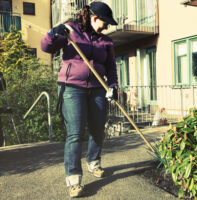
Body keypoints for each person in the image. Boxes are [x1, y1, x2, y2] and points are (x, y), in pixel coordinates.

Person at [41, 2, 118, 198]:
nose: (107, 26)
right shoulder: (70, 30)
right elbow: (46, 47)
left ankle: (93, 161)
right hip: (72, 88)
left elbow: (111, 68)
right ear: (94, 18)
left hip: (98, 89)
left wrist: (113, 86)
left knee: (98, 127)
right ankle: (74, 179)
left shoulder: (106, 41)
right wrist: (52, 33)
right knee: (75, 133)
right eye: (105, 22)